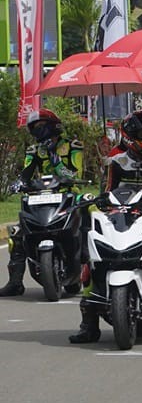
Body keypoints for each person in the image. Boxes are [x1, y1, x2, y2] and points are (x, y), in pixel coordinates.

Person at [70, 111, 142, 344]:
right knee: (92, 262)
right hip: (119, 221)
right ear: (130, 135)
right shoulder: (115, 163)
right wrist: (103, 204)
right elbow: (105, 194)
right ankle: (88, 325)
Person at [1, 110, 84, 297]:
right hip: (41, 195)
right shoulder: (34, 150)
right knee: (17, 233)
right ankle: (15, 282)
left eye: (41, 126)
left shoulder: (73, 146)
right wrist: (19, 183)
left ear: (53, 126)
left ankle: (93, 278)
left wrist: (54, 155)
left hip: (68, 195)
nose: (38, 131)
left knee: (89, 220)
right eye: (34, 127)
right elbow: (26, 172)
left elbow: (74, 174)